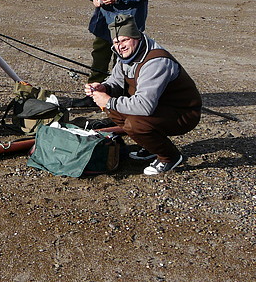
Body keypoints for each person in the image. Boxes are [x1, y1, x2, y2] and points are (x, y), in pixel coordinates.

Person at [85, 14, 202, 175]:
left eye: (125, 40)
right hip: (159, 107)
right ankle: (151, 146)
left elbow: (144, 107)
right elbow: (116, 81)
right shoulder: (126, 55)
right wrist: (104, 88)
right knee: (112, 109)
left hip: (183, 113)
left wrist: (109, 101)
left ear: (137, 37)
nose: (120, 46)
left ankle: (170, 157)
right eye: (116, 42)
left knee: (134, 122)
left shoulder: (156, 62)